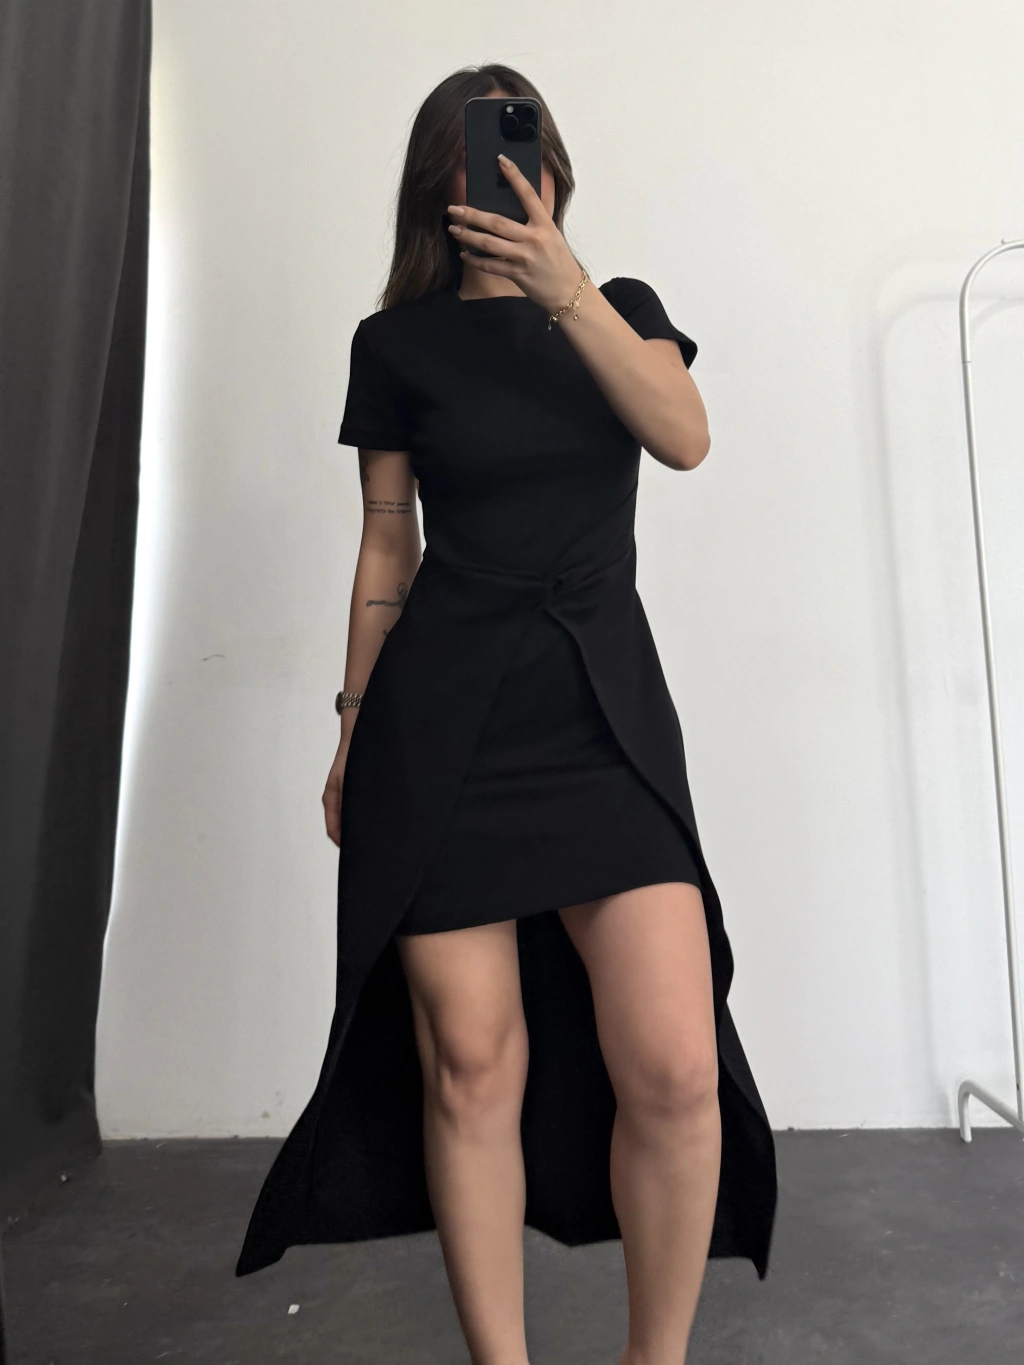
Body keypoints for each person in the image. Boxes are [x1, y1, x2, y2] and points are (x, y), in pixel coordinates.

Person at [237, 63, 777, 1365]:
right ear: (439, 185)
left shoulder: (621, 308)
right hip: (441, 725)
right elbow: (387, 546)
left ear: (554, 170)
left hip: (599, 719)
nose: (502, 179)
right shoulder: (395, 346)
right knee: (471, 1065)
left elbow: (686, 436)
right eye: (477, 159)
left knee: (676, 1065)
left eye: (522, 153)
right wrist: (352, 726)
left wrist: (563, 288)